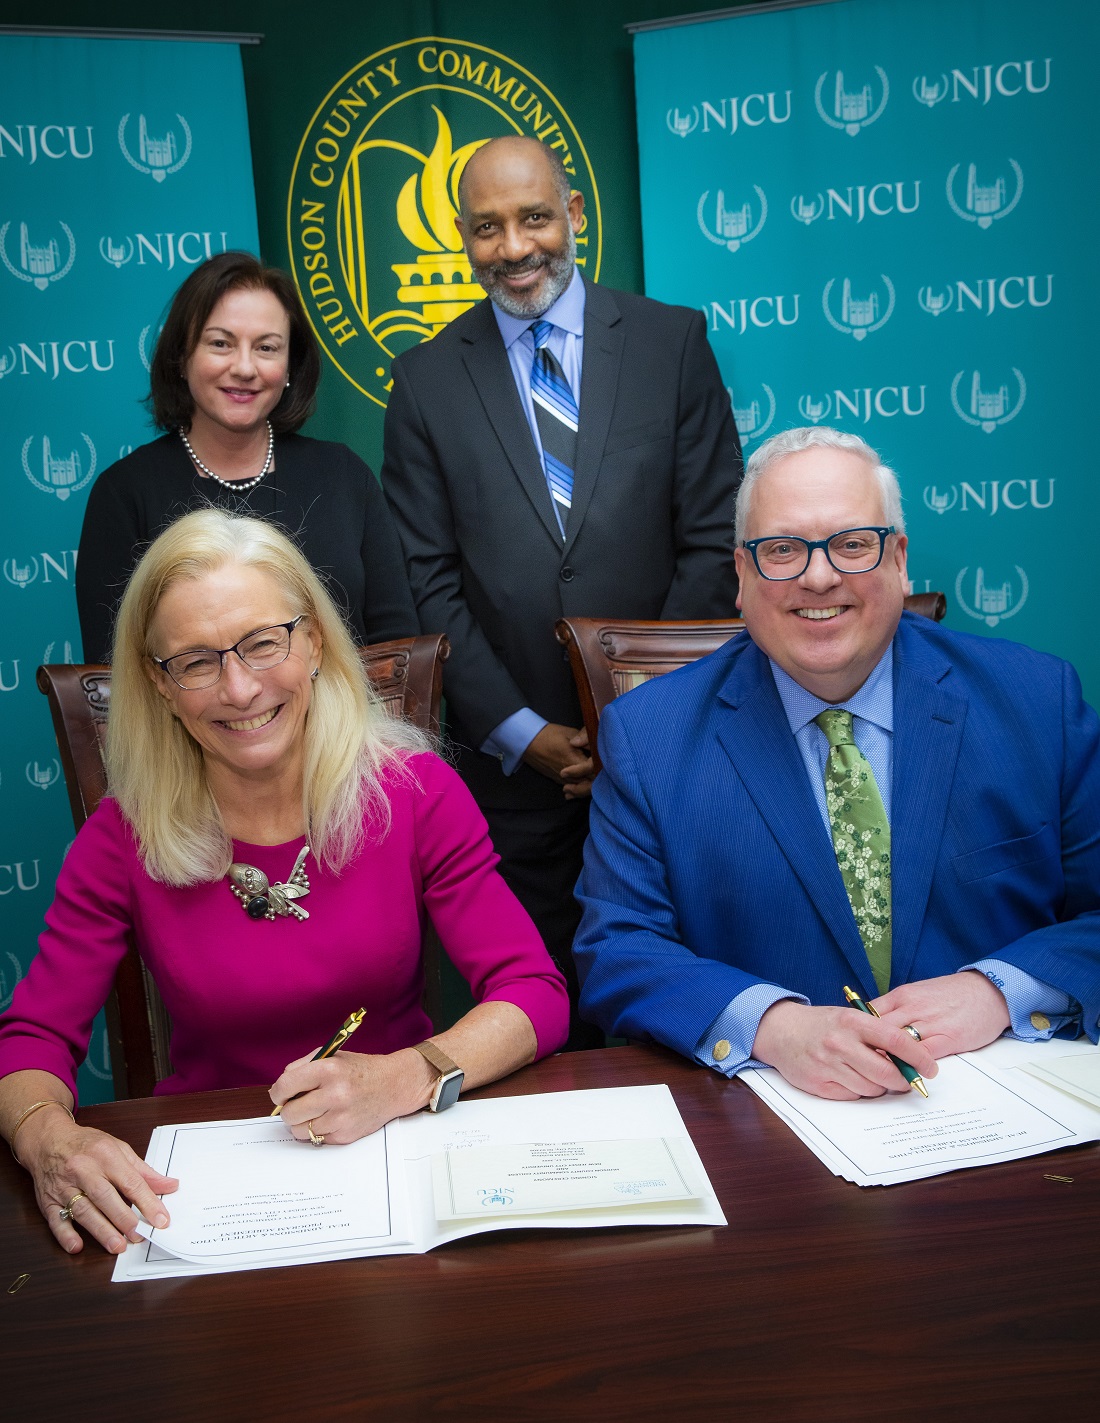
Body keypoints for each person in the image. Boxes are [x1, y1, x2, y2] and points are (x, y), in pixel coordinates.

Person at [0, 509, 568, 1254]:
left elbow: (534, 993)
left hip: (398, 1153)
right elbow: (32, 1037)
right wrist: (48, 1137)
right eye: (197, 662)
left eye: (263, 643)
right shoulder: (121, 836)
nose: (239, 688)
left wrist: (407, 1076)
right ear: (159, 684)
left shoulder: (415, 792)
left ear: (315, 644)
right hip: (202, 1196)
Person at [574, 426, 1100, 1098]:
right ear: (741, 574)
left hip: (1006, 1107)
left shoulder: (1036, 703)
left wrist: (997, 992)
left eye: (852, 544)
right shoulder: (650, 735)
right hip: (771, 1122)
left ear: (900, 560)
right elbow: (618, 949)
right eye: (783, 549)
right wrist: (774, 1025)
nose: (818, 575)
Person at [382, 136, 743, 1046]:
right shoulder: (424, 380)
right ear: (462, 241)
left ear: (575, 214)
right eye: (486, 228)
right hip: (516, 782)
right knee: (538, 1028)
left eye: (534, 217)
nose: (514, 247)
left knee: (685, 1018)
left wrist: (643, 716)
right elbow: (426, 578)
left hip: (675, 757)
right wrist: (524, 733)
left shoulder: (672, 342)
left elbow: (712, 541)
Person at [76, 251, 418, 663]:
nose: (244, 367)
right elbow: (112, 675)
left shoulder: (343, 476)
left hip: (349, 726)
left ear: (290, 365)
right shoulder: (124, 495)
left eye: (266, 348)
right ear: (182, 358)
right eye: (220, 343)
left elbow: (397, 650)